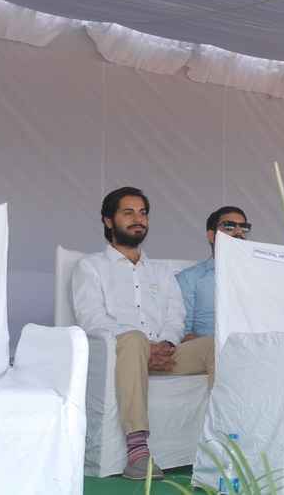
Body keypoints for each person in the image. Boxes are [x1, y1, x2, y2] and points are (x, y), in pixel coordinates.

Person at [71, 187, 214, 480]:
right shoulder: (91, 267)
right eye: (128, 212)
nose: (138, 219)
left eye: (143, 213)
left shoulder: (160, 272)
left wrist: (166, 343)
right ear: (108, 220)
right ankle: (137, 451)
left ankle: (222, 440)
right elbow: (92, 319)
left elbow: (176, 315)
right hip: (119, 355)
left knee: (213, 345)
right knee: (134, 339)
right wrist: (143, 345)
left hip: (164, 354)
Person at [175, 206, 250, 340]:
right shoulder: (189, 279)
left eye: (244, 228)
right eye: (229, 227)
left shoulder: (257, 276)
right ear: (211, 236)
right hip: (207, 348)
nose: (239, 232)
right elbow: (181, 332)